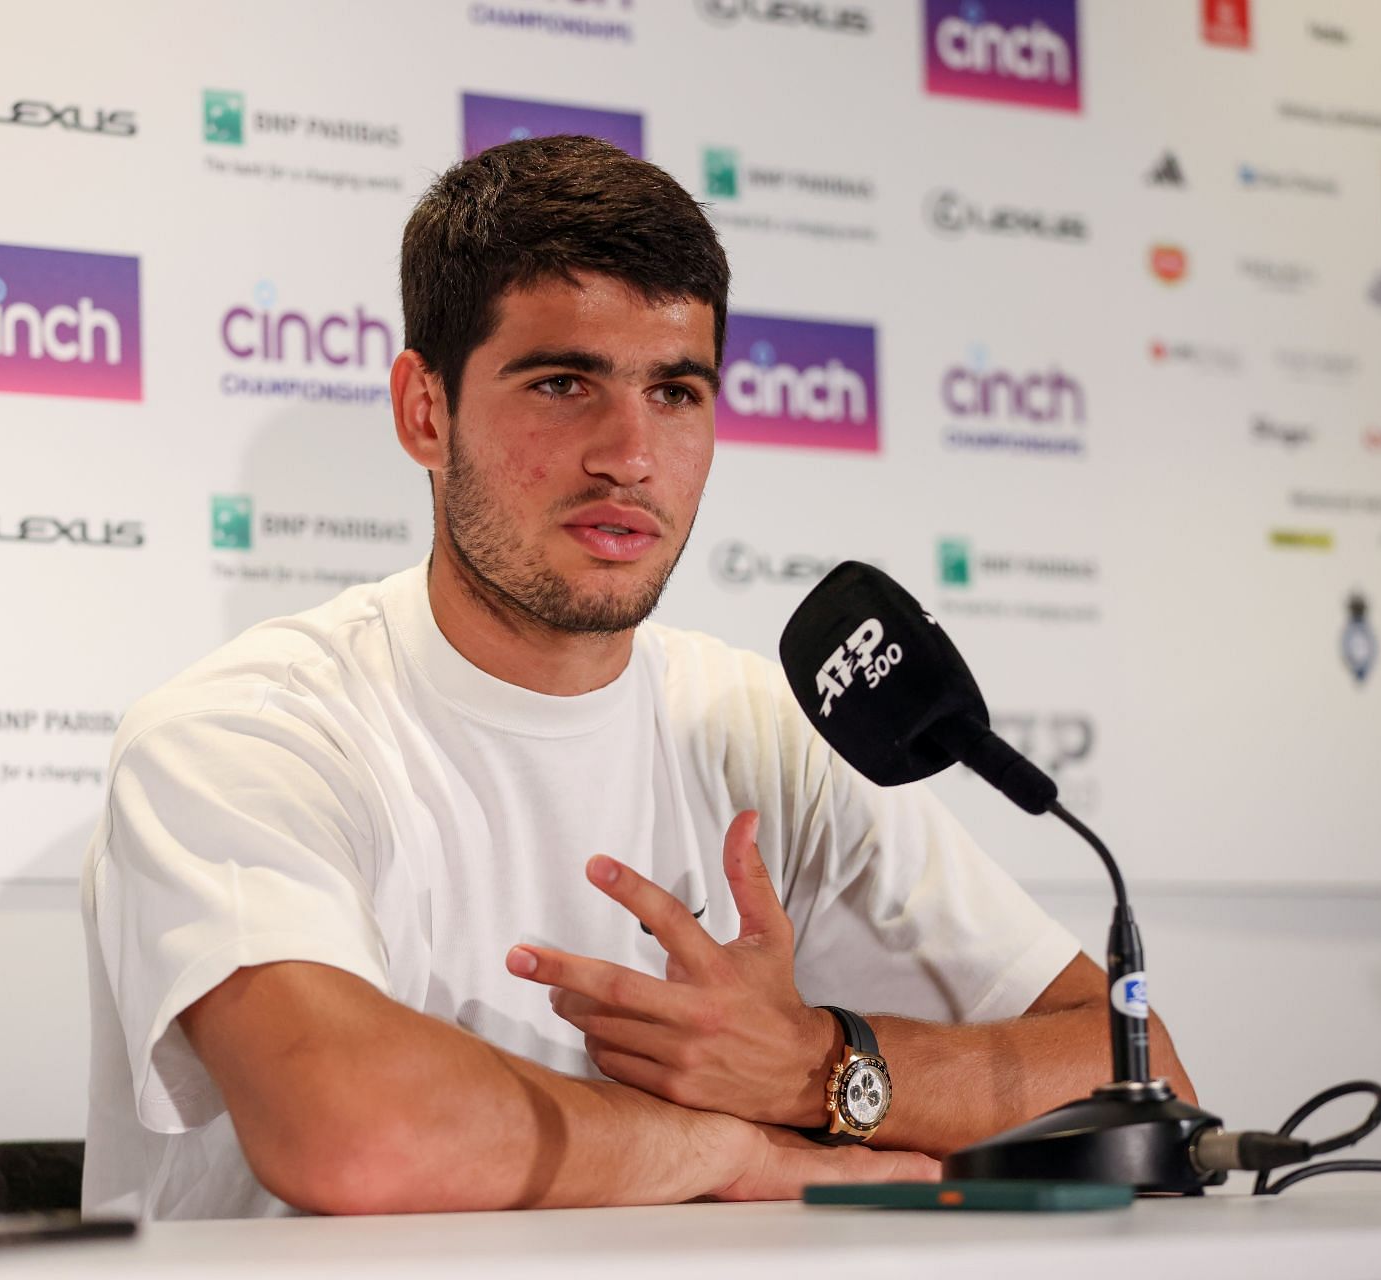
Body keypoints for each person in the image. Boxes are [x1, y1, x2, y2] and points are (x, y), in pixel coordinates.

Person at [80, 135, 1194, 1220]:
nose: (630, 452)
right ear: (426, 410)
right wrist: (732, 1149)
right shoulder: (239, 731)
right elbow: (356, 1127)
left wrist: (818, 1065)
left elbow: (1149, 1089)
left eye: (676, 391)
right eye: (565, 383)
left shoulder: (753, 726)